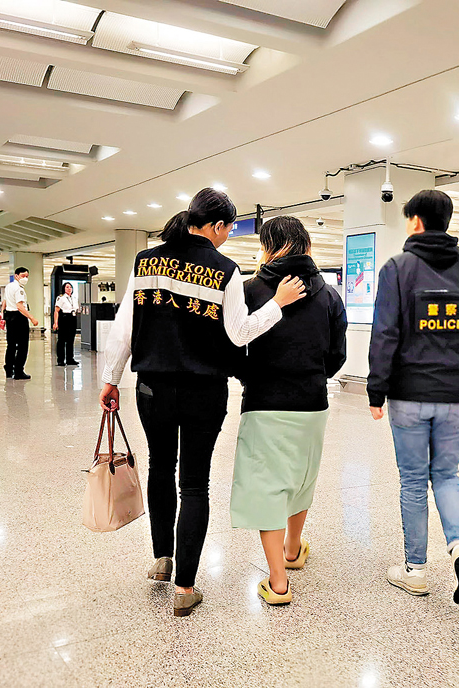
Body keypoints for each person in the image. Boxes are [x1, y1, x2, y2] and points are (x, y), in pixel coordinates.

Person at [99, 189, 306, 618]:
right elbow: (238, 333)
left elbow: (126, 327)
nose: (229, 235)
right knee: (194, 484)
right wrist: (277, 306)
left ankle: (162, 557)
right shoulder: (224, 269)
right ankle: (185, 588)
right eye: (229, 227)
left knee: (160, 467)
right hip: (202, 391)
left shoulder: (146, 261)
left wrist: (110, 378)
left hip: (151, 387)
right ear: (215, 226)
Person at [367, 189, 459, 605]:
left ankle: (416, 571)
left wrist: (376, 389)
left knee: (413, 481)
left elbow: (385, 334)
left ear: (416, 221)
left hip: (408, 395)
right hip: (458, 396)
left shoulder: (397, 269)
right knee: (446, 476)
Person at [230, 217, 347, 606]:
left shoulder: (250, 290)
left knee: (267, 487)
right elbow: (337, 355)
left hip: (264, 403)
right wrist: (313, 376)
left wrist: (252, 378)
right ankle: (294, 549)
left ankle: (278, 582)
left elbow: (233, 348)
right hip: (312, 403)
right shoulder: (329, 295)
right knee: (300, 478)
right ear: (306, 244)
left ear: (267, 246)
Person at [2, 268, 39, 380]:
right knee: (23, 346)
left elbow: (4, 302)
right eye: (23, 276)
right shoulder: (19, 289)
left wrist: (3, 317)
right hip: (19, 318)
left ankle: (9, 369)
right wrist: (32, 318)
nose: (25, 278)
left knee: (11, 345)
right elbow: (20, 306)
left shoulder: (9, 286)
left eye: (27, 276)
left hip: (9, 316)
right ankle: (18, 371)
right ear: (16, 276)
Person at [53, 282, 79, 366]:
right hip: (64, 318)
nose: (69, 289)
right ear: (64, 288)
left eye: (70, 287)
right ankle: (60, 359)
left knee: (70, 340)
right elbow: (56, 311)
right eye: (67, 287)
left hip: (73, 318)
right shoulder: (61, 298)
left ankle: (70, 359)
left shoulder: (74, 298)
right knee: (62, 340)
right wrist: (55, 323)